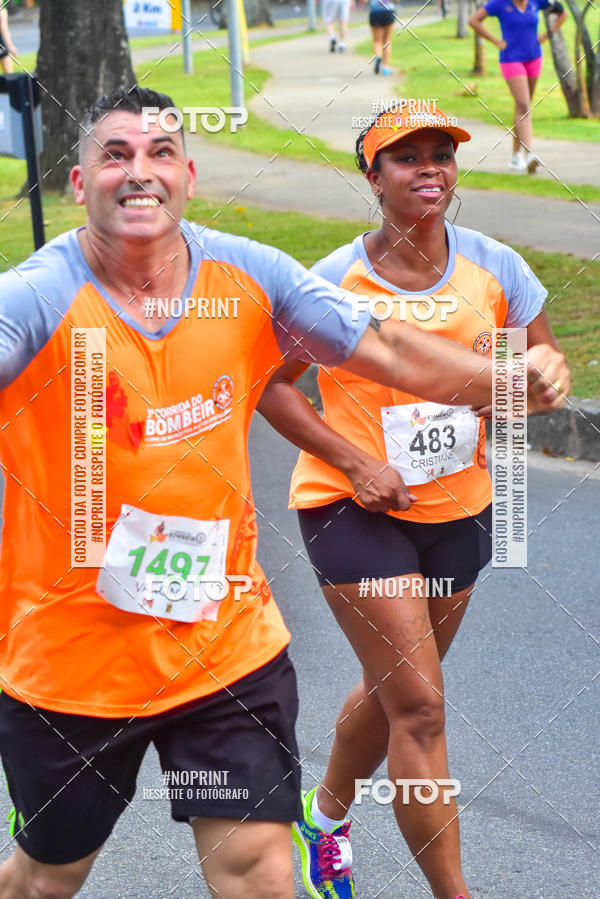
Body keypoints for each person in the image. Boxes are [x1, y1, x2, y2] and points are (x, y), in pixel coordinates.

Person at [0, 85, 566, 899]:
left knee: (260, 868)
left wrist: (506, 381)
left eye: (160, 153)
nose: (140, 171)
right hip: (74, 666)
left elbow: (391, 350)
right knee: (47, 877)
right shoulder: (37, 297)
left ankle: (324, 830)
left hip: (223, 649)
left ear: (189, 174)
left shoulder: (249, 275)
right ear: (78, 182)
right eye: (114, 154)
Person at [257, 105, 570, 899]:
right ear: (374, 177)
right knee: (423, 707)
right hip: (352, 508)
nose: (429, 168)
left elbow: (535, 369)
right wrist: (357, 461)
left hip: (458, 512)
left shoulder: (496, 268)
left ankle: (322, 818)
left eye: (441, 154)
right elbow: (273, 390)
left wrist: (539, 386)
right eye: (406, 159)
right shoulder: (331, 281)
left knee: (395, 688)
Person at [469, 0, 567, 173]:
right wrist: (495, 41)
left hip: (534, 57)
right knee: (524, 105)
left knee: (522, 108)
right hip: (511, 59)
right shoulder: (499, 4)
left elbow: (562, 13)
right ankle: (529, 154)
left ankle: (515, 156)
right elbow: (474, 21)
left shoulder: (537, 2)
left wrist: (547, 35)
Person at [369, 0, 395, 74]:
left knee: (377, 41)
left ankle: (378, 56)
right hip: (388, 11)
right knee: (387, 39)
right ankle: (385, 68)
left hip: (375, 12)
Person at [0, 7, 18, 74]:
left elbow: (4, 29)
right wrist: (10, 47)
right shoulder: (2, 11)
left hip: (2, 46)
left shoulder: (2, 11)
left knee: (8, 73)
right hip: (2, 46)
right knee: (9, 75)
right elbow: (4, 29)